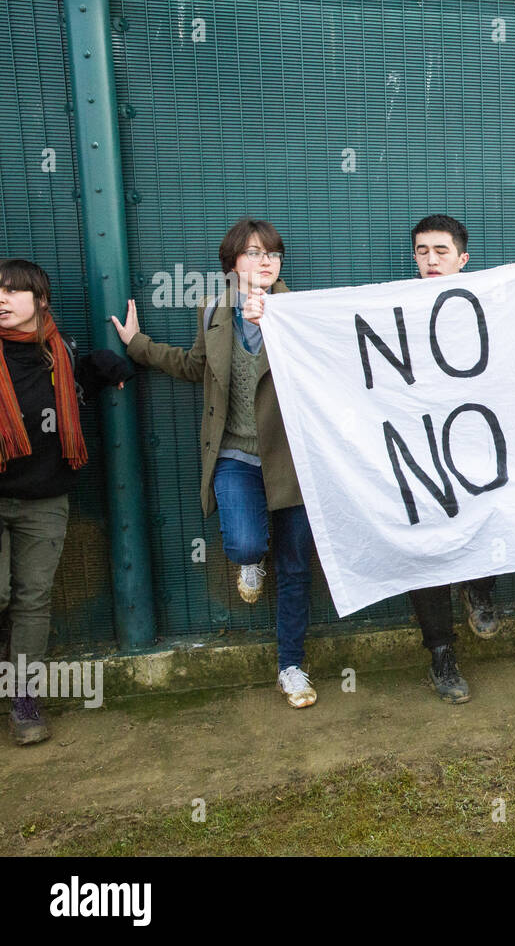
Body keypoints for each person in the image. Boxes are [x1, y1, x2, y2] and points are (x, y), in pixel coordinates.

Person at [113, 219, 319, 709]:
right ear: (232, 264)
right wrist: (138, 345)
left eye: (273, 253)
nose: (265, 261)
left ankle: (290, 666)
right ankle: (250, 564)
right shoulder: (212, 312)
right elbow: (194, 367)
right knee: (246, 541)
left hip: (291, 461)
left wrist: (276, 323)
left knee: (294, 565)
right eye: (253, 252)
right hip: (234, 454)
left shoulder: (303, 313)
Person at [1, 258, 130, 744]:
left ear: (40, 300)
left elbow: (78, 392)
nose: (2, 300)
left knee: (32, 599)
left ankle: (24, 701)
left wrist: (109, 365)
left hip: (44, 498)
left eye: (13, 291)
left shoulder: (60, 352)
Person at [404, 213, 499, 703]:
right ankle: (441, 654)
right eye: (422, 251)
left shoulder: (492, 300)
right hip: (418, 453)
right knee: (427, 552)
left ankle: (480, 587)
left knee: (490, 516)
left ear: (463, 258)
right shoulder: (389, 307)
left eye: (441, 251)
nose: (431, 260)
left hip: (476, 447)